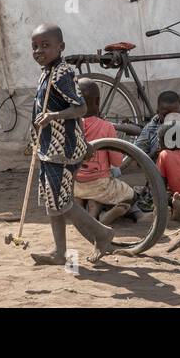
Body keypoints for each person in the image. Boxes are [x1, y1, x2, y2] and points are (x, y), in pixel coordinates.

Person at [27, 23, 114, 266]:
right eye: (34, 46)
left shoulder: (62, 73)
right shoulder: (47, 71)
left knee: (62, 202)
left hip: (62, 150)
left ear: (61, 47)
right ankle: (59, 252)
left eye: (45, 45)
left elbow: (81, 108)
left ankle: (102, 234)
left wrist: (54, 117)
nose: (38, 51)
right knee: (52, 201)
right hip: (48, 148)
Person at [75, 79, 135, 226]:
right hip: (100, 184)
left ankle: (84, 209)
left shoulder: (70, 126)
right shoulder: (106, 127)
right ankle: (98, 213)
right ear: (97, 101)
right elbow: (117, 162)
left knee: (81, 194)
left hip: (75, 184)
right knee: (129, 193)